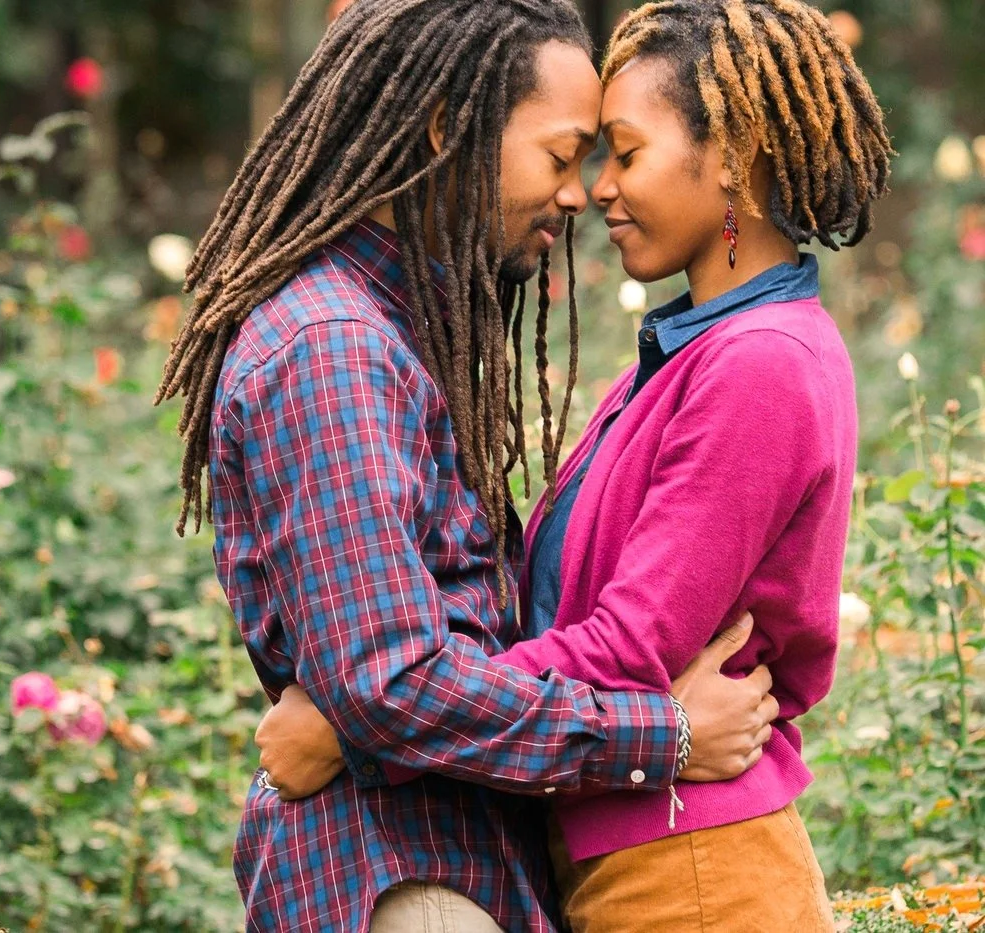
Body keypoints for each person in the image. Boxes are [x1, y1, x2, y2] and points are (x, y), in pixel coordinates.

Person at [254, 0, 894, 930]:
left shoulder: (762, 363)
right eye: (584, 157)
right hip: (638, 850)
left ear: (736, 158)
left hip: (697, 870)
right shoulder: (692, 353)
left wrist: (365, 725)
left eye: (624, 153)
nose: (597, 188)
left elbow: (631, 647)